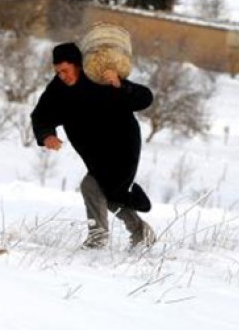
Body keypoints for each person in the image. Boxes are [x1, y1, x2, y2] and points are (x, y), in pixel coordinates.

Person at [31, 42, 156, 249]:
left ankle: (97, 239)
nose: (62, 76)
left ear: (78, 65)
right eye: (57, 72)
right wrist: (47, 135)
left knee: (91, 186)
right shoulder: (57, 90)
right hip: (96, 156)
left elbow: (145, 98)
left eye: (65, 70)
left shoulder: (99, 78)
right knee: (109, 194)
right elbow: (41, 116)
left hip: (122, 148)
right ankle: (141, 233)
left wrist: (121, 85)